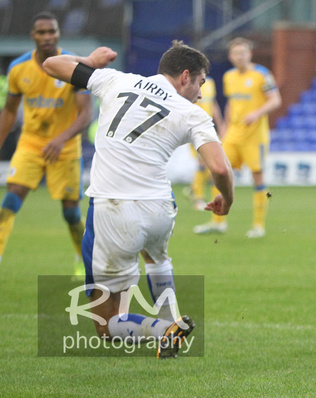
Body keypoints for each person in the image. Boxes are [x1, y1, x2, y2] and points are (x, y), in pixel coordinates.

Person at [42, 41, 234, 358]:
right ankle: (171, 320)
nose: (200, 94)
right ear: (185, 76)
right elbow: (220, 168)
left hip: (113, 208)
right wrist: (226, 200)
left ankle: (164, 330)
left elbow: (52, 64)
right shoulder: (192, 114)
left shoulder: (116, 79)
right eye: (200, 83)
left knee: (106, 326)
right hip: (160, 207)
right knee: (157, 258)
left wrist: (88, 60)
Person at [0, 12, 92, 276]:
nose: (48, 36)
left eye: (52, 31)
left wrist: (61, 139)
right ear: (33, 36)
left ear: (58, 34)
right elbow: (8, 111)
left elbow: (86, 114)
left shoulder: (74, 65)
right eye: (42, 32)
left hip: (66, 147)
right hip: (30, 144)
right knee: (11, 198)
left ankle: (82, 259)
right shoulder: (18, 68)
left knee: (71, 213)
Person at [194, 37, 281, 238]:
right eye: (235, 53)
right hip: (233, 134)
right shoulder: (229, 76)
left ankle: (259, 225)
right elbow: (231, 103)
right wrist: (224, 127)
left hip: (255, 136)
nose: (239, 57)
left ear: (249, 54)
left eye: (243, 52)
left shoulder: (262, 75)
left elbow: (276, 100)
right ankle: (218, 222)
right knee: (218, 172)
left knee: (258, 178)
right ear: (230, 56)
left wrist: (257, 114)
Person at [185, 75, 225, 211]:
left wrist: (220, 124)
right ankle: (198, 198)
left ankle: (194, 189)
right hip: (194, 127)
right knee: (203, 162)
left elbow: (213, 104)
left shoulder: (210, 82)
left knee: (206, 163)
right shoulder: (188, 83)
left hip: (208, 127)